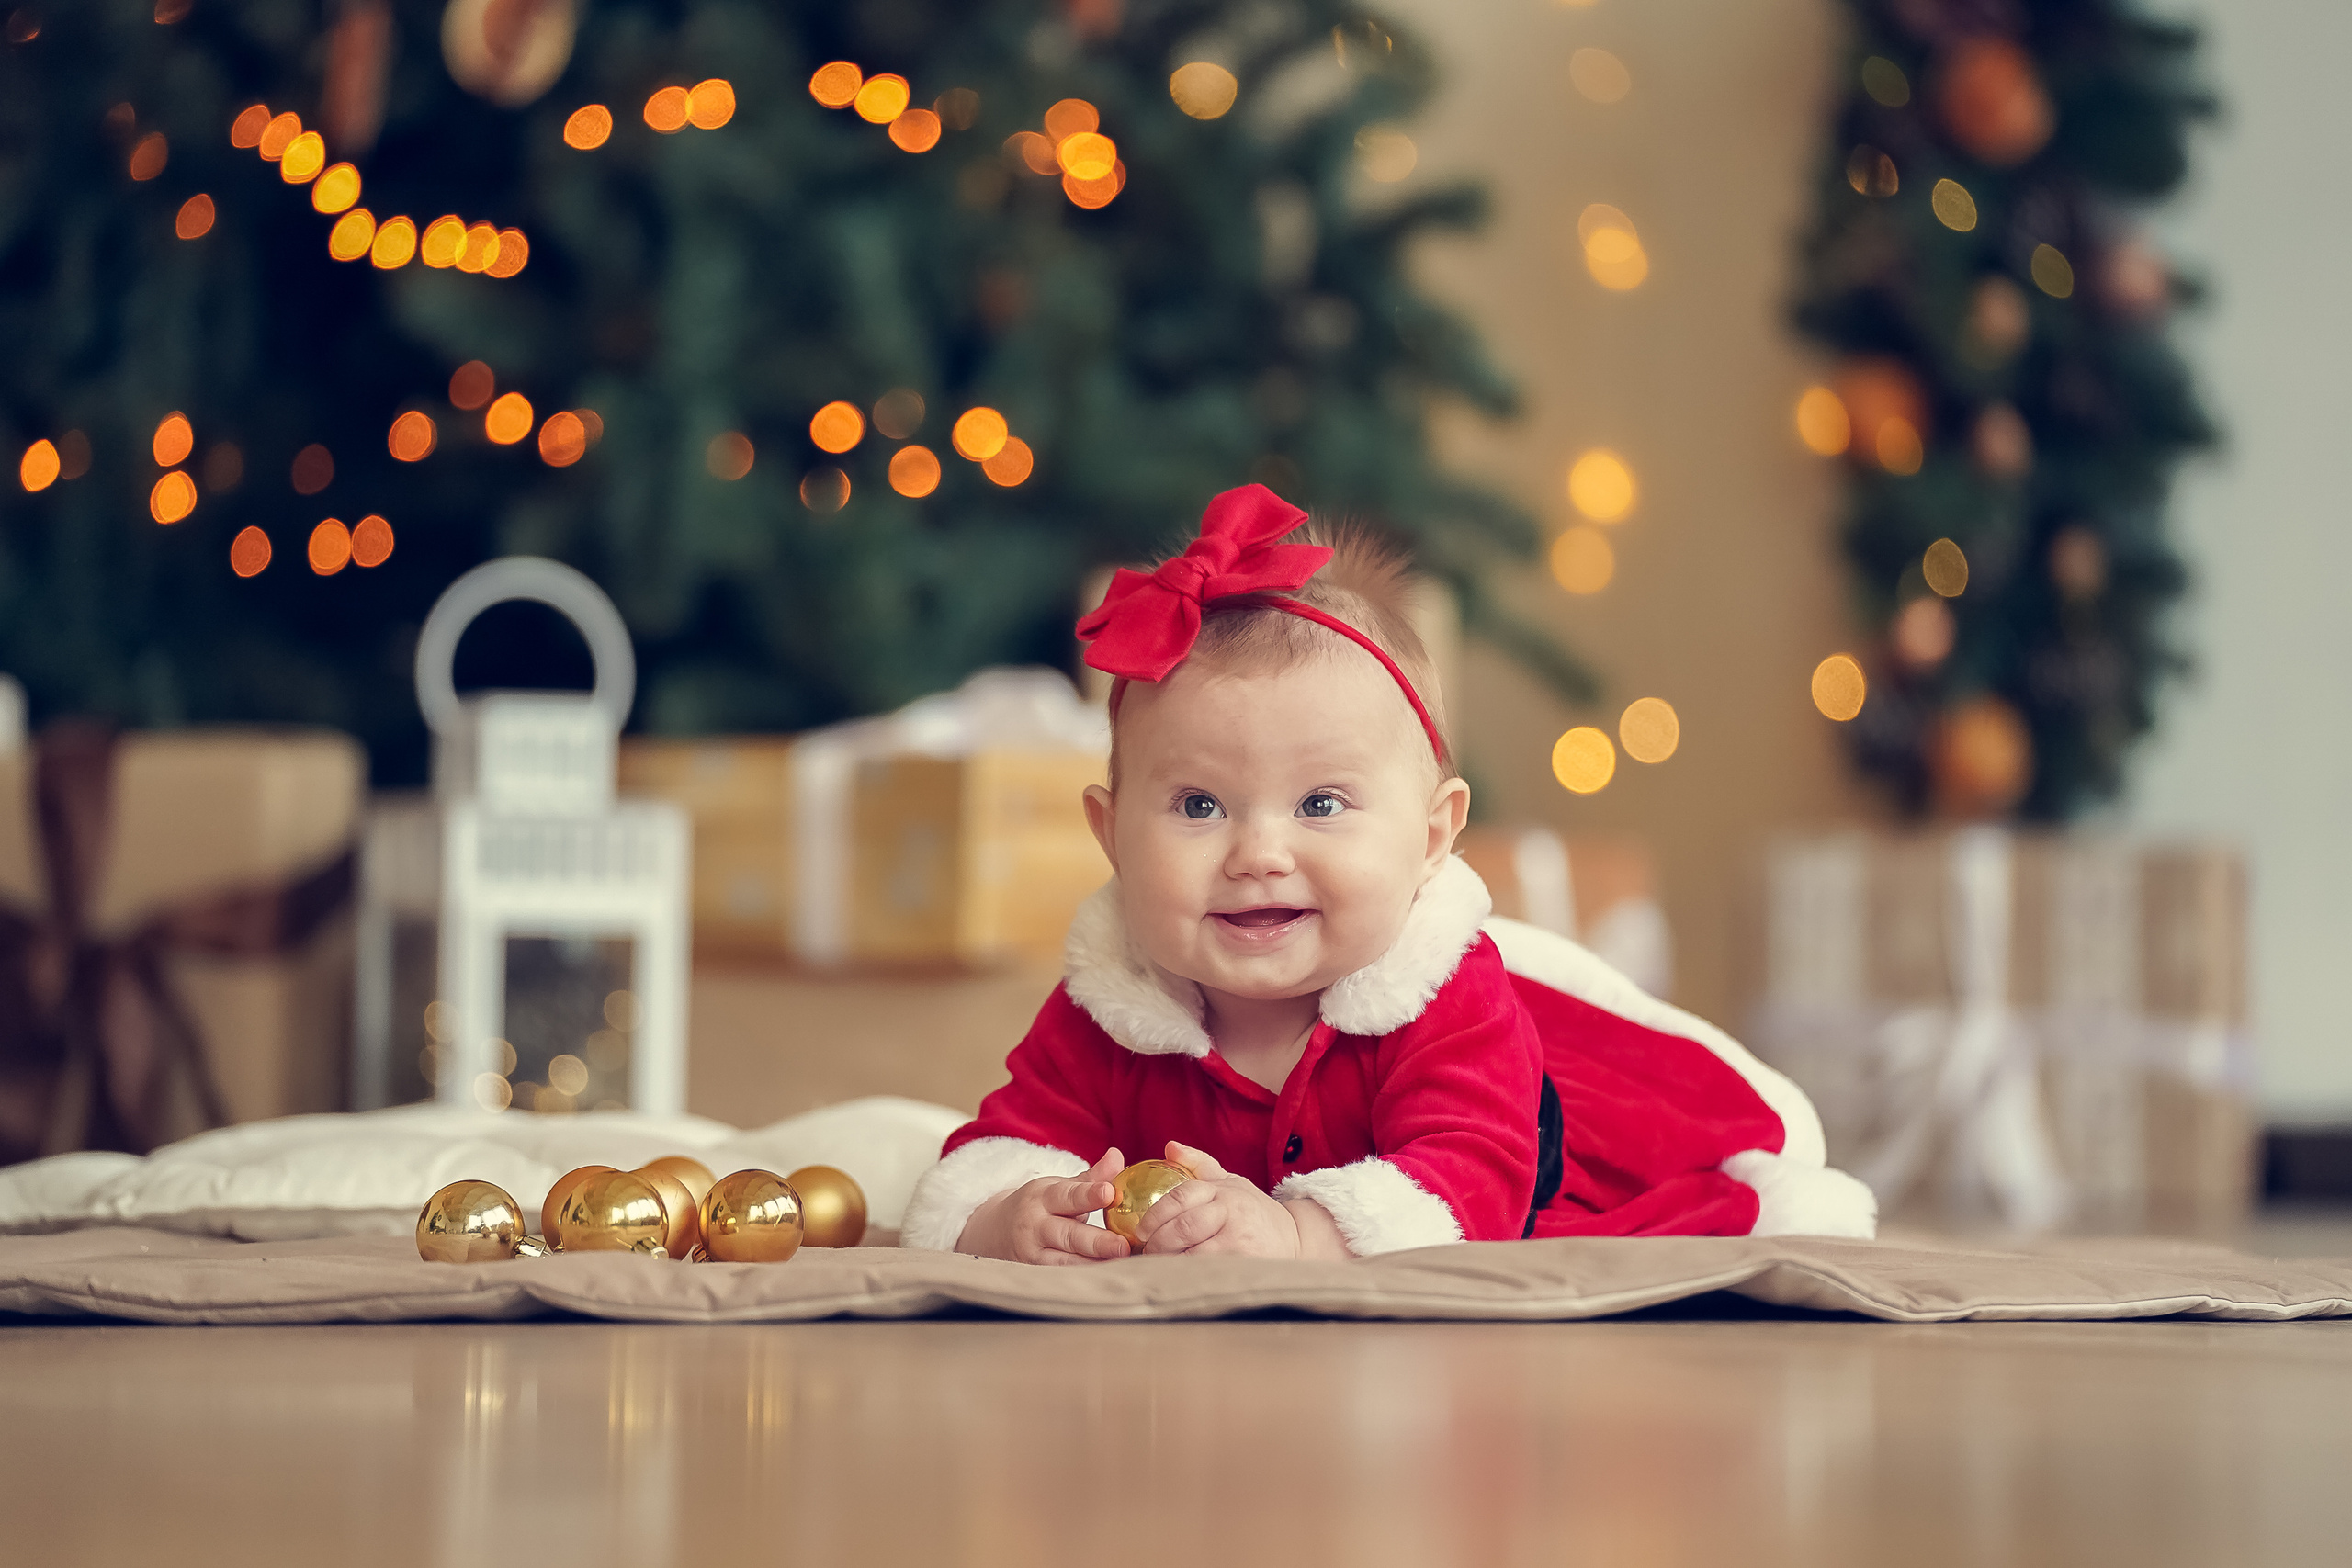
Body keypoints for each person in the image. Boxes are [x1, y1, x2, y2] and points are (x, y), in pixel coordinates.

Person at [899, 484, 1873, 1262]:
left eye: (1321, 805)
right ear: (1110, 836)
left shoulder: (1441, 995)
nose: (1259, 853)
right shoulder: (1108, 1008)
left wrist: (1298, 1234)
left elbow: (1472, 1180)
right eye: (1199, 806)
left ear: (1432, 836)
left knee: (1688, 1210)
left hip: (1554, 1179)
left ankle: (1758, 1184)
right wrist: (1011, 1214)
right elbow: (1004, 1144)